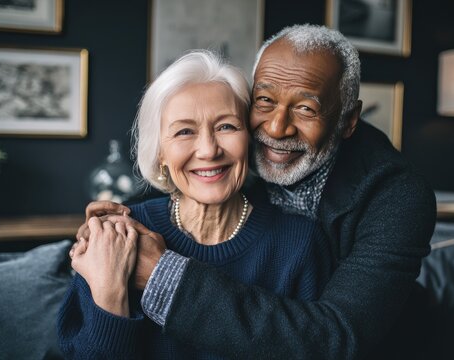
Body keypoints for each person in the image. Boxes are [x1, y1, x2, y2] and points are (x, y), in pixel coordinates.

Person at [76, 24, 437, 359]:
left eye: (306, 108)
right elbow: (187, 172)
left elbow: (335, 337)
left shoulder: (398, 196)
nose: (277, 128)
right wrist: (110, 230)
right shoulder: (240, 147)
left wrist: (163, 276)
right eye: (264, 101)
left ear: (347, 120)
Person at [57, 50, 334, 359]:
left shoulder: (300, 244)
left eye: (226, 126)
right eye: (184, 131)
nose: (208, 150)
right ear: (160, 152)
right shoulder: (119, 235)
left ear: (250, 138)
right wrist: (111, 297)